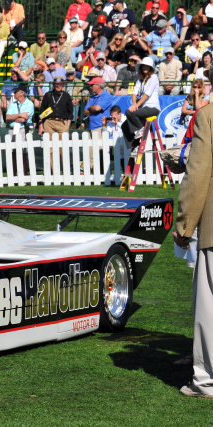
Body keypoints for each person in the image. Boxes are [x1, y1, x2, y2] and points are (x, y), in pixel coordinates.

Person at [172, 93, 213, 400]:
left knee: (208, 308)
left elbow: (197, 173)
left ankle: (206, 382)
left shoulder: (208, 115)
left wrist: (185, 224)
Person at [123, 56, 160, 146]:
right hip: (144, 107)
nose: (145, 68)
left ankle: (140, 129)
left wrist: (135, 106)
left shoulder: (154, 77)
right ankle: (134, 146)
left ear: (151, 68)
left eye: (147, 66)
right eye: (143, 66)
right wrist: (135, 104)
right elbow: (134, 93)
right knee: (124, 125)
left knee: (129, 112)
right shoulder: (141, 79)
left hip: (153, 107)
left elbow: (147, 95)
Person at [39, 77, 74, 172]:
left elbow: (71, 111)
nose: (58, 85)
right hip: (49, 122)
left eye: (60, 84)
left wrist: (68, 123)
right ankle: (54, 171)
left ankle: (66, 170)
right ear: (54, 84)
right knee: (50, 147)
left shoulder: (66, 96)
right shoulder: (48, 95)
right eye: (56, 84)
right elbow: (42, 112)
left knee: (64, 147)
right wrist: (41, 125)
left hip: (62, 122)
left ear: (63, 85)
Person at [84, 76, 114, 170]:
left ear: (98, 85)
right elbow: (85, 111)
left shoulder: (107, 96)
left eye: (92, 85)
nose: (90, 87)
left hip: (100, 127)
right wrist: (93, 108)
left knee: (101, 151)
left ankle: (103, 172)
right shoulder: (92, 97)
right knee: (90, 152)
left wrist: (92, 108)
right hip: (91, 126)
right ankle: (92, 173)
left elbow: (97, 108)